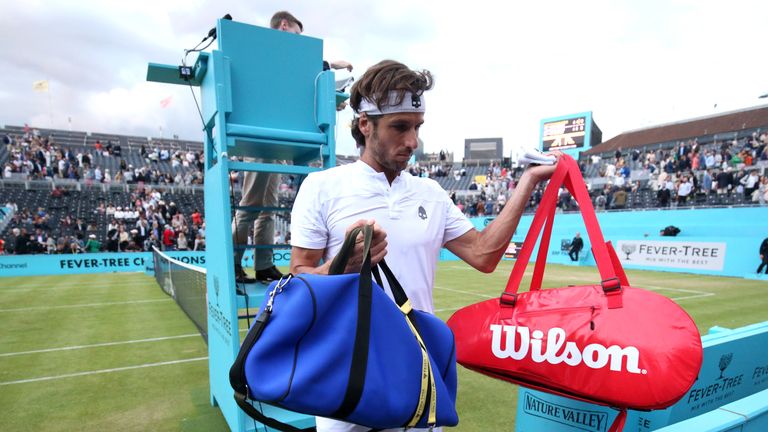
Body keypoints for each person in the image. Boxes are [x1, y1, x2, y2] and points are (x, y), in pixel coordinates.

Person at [288, 59, 560, 432]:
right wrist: (342, 266)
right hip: (346, 369)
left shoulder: (430, 192)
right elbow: (299, 278)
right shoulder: (322, 187)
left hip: (417, 370)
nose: (413, 142)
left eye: (417, 127)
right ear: (365, 124)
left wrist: (527, 182)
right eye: (400, 127)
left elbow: (483, 255)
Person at [232, 10, 353, 284]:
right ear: (284, 27)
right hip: (260, 138)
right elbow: (290, 70)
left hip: (278, 143)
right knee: (251, 205)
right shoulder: (266, 51)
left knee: (268, 208)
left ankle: (263, 266)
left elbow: (298, 86)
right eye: (297, 35)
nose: (299, 42)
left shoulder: (281, 63)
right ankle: (234, 265)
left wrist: (330, 99)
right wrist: (328, 64)